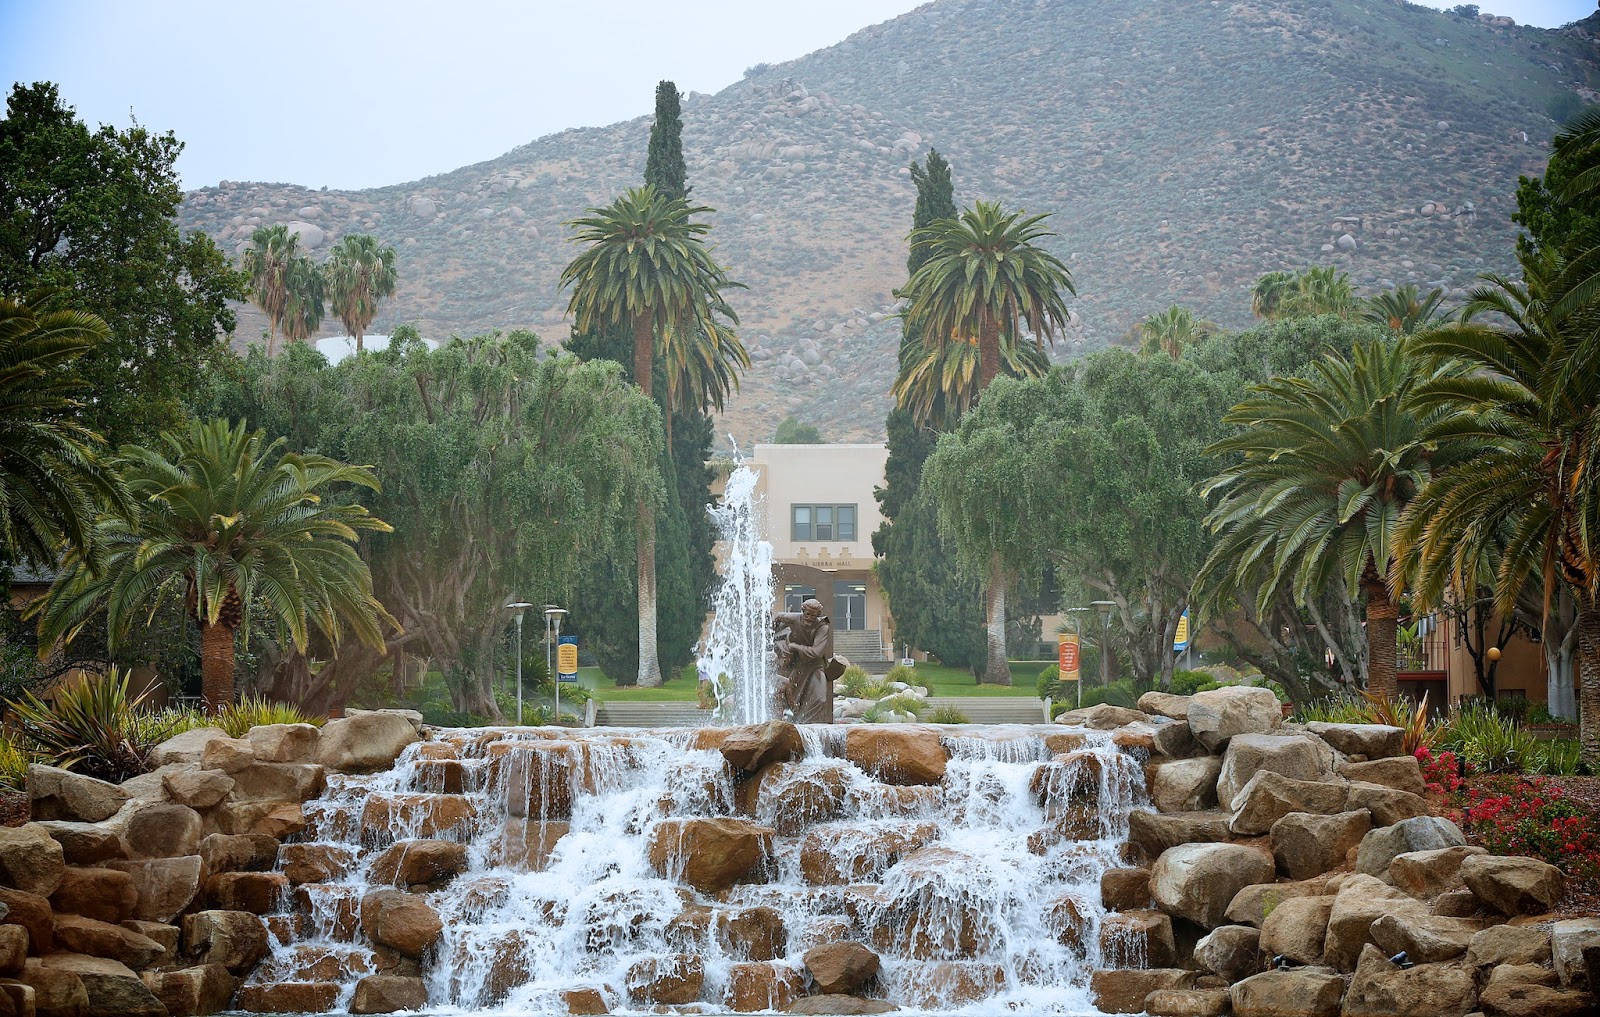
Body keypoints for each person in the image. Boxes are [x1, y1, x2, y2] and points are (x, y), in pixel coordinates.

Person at [771, 598, 835, 723]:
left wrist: (795, 646)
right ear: (803, 611)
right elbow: (778, 616)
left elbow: (816, 652)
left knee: (819, 697)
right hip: (797, 665)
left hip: (815, 666)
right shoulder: (794, 618)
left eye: (813, 615)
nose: (809, 618)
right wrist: (774, 629)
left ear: (818, 615)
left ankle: (810, 728)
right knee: (791, 697)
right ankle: (792, 725)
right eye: (807, 614)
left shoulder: (822, 627)